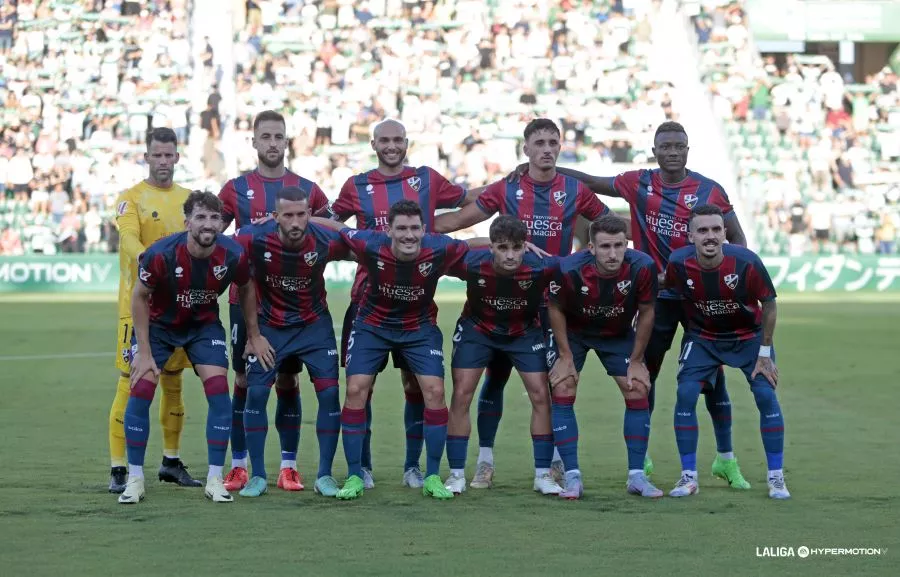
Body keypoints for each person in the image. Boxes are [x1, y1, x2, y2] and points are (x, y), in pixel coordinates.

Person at [544, 121, 750, 486]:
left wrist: (727, 280)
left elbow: (736, 237)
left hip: (700, 297)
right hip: (657, 297)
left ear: (688, 149)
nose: (673, 151)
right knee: (643, 375)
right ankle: (645, 458)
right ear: (655, 151)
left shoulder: (708, 190)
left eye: (679, 145)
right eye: (666, 146)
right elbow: (592, 181)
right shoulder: (639, 182)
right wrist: (548, 169)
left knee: (712, 379)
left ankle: (726, 459)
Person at [434, 118, 620, 489]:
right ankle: (484, 460)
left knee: (552, 386)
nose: (547, 149)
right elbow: (456, 221)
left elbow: (608, 226)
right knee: (493, 381)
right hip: (497, 299)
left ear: (560, 147)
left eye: (554, 142)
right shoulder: (508, 188)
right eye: (540, 142)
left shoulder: (573, 190)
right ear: (527, 149)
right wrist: (410, 231)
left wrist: (597, 260)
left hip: (548, 302)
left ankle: (550, 465)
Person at [330, 119, 482, 490]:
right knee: (359, 388)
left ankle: (415, 467)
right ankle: (360, 467)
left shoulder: (427, 179)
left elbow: (468, 205)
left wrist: (510, 194)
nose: (392, 146)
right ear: (373, 143)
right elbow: (332, 226)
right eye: (385, 140)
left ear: (407, 143)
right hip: (366, 302)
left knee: (418, 388)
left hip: (417, 309)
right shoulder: (357, 185)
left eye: (398, 139)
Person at [311, 200, 484, 501]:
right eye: (401, 228)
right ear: (388, 230)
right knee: (355, 390)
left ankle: (430, 475)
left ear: (424, 230)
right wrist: (301, 219)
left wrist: (509, 242)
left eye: (414, 228)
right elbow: (339, 228)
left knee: (433, 392)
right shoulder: (370, 243)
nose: (408, 235)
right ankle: (355, 475)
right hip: (372, 326)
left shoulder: (440, 248)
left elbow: (470, 243)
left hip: (418, 328)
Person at [217, 110, 333, 493]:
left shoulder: (308, 189)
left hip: (298, 305)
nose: (271, 142)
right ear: (254, 142)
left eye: (278, 136)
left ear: (286, 142)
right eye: (264, 136)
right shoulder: (235, 188)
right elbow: (216, 236)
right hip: (246, 301)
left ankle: (288, 466)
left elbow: (332, 227)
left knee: (288, 377)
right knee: (245, 377)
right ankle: (240, 465)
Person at [119, 191, 252, 505]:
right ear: (187, 222)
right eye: (201, 217)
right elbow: (139, 296)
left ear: (222, 222)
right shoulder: (161, 254)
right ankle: (134, 478)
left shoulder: (233, 253)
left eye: (214, 218)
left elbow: (246, 289)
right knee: (141, 389)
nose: (208, 224)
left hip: (203, 327)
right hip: (159, 327)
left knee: (220, 391)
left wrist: (255, 335)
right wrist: (145, 352)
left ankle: (215, 479)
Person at [664, 205, 789, 499]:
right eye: (703, 230)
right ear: (690, 235)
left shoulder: (746, 262)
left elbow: (769, 304)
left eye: (717, 229)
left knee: (765, 394)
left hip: (748, 338)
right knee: (685, 394)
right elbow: (671, 293)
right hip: (703, 338)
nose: (711, 236)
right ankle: (688, 477)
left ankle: (776, 478)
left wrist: (765, 351)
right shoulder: (678, 263)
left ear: (724, 233)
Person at [235, 186, 351, 498]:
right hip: (271, 326)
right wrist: (253, 336)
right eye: (288, 215)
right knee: (256, 393)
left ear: (310, 215)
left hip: (314, 327)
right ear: (275, 217)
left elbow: (368, 247)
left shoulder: (325, 240)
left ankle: (324, 476)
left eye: (302, 214)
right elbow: (237, 280)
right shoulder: (253, 238)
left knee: (329, 396)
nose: (296, 221)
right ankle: (258, 476)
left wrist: (334, 225)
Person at [443, 215, 563, 496]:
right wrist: (484, 240)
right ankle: (457, 473)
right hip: (477, 331)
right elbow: (441, 248)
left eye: (517, 248)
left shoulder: (542, 266)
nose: (510, 256)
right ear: (491, 247)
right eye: (502, 248)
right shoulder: (471, 263)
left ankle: (543, 474)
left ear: (525, 246)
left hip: (523, 333)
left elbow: (584, 266)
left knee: (540, 395)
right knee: (461, 394)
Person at [107, 128, 199, 494]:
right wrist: (148, 257)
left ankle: (171, 462)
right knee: (132, 382)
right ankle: (118, 468)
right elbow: (127, 237)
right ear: (146, 157)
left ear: (177, 157)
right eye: (156, 155)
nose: (163, 161)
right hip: (139, 307)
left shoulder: (189, 199)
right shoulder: (131, 198)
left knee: (174, 383)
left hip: (179, 308)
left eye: (168, 155)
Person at [546, 215, 661, 499]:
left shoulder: (643, 267)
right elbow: (555, 309)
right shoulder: (569, 268)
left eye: (619, 246)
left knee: (638, 389)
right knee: (563, 385)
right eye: (605, 246)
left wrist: (636, 360)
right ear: (591, 247)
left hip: (617, 334)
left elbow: (647, 313)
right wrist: (564, 355)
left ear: (627, 244)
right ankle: (572, 476)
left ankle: (637, 476)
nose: (613, 254)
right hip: (575, 333)